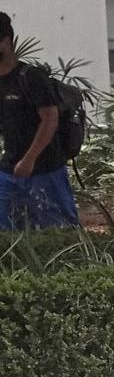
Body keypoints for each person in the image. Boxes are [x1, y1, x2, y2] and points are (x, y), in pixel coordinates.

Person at [0, 13, 78, 231]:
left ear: (6, 42)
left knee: (58, 229)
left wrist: (30, 159)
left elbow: (49, 119)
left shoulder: (31, 77)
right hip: (9, 169)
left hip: (45, 168)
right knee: (7, 229)